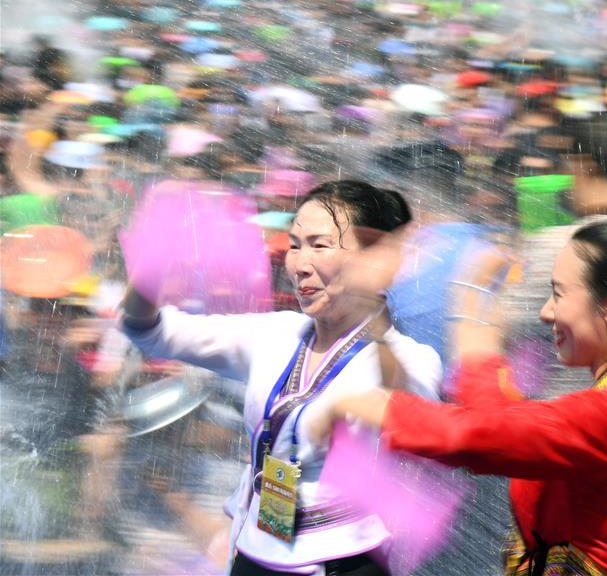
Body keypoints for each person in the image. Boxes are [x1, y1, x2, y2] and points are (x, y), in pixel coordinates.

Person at [312, 203, 607, 575]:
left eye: (559, 293)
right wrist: (475, 331)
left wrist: (381, 408)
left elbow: (481, 435)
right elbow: (506, 424)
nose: (545, 312)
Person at [120, 180, 442, 576]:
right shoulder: (275, 333)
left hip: (346, 560)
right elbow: (147, 330)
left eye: (319, 245)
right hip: (259, 546)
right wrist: (153, 263)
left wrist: (371, 308)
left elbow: (410, 417)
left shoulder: (411, 358)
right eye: (294, 244)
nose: (299, 263)